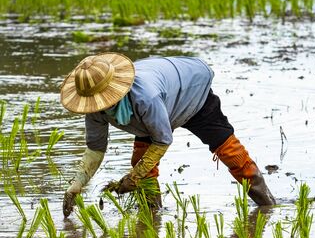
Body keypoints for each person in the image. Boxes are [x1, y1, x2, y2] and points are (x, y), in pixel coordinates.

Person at [60, 52, 276, 218]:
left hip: (192, 93)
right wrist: (75, 186)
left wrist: (133, 177)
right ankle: (152, 215)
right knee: (140, 161)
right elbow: (95, 149)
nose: (99, 106)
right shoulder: (96, 110)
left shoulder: (145, 97)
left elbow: (162, 140)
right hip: (159, 106)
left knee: (230, 152)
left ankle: (267, 204)